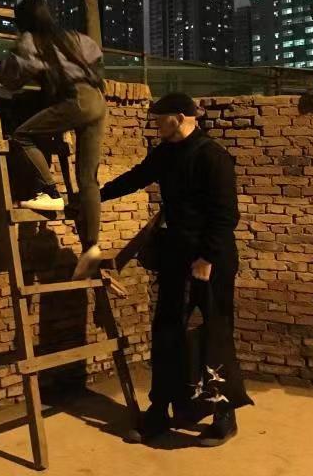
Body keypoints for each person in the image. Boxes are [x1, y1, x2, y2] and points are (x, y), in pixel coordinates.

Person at [99, 92, 253, 445]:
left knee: (215, 335)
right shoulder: (166, 153)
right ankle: (159, 412)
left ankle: (224, 416)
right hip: (175, 258)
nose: (156, 125)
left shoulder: (212, 156)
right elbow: (135, 177)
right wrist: (94, 196)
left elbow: (226, 215)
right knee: (167, 333)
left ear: (181, 117)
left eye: (160, 119)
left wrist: (206, 259)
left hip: (211, 262)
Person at [0, 0, 106, 280]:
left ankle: (50, 192)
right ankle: (91, 246)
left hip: (76, 101)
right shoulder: (74, 37)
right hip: (97, 101)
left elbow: (10, 78)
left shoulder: (31, 41)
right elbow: (97, 61)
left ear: (23, 21)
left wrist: (2, 68)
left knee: (21, 136)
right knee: (88, 180)